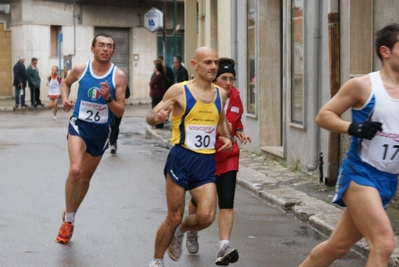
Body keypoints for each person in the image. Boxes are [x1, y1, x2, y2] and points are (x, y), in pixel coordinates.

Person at [299, 22, 399, 267]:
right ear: (385, 51)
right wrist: (353, 128)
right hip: (361, 174)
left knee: (338, 246)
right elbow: (324, 115)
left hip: (389, 179)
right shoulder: (364, 85)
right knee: (383, 243)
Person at [147, 47, 233, 267]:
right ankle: (156, 261)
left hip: (205, 162)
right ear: (195, 65)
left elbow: (221, 121)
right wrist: (156, 116)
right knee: (174, 215)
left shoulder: (220, 94)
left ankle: (182, 231)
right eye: (207, 62)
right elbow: (150, 116)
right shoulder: (178, 91)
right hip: (181, 158)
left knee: (206, 216)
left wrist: (227, 137)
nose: (213, 66)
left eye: (215, 62)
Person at [55, 33, 126, 244]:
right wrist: (66, 99)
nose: (105, 49)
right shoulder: (80, 69)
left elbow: (120, 111)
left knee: (85, 178)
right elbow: (64, 83)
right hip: (79, 124)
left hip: (101, 131)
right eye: (101, 45)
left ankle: (71, 214)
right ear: (92, 48)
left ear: (113, 51)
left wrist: (108, 98)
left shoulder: (118, 76)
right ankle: (68, 222)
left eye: (109, 46)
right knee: (75, 170)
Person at [185, 58, 252, 266]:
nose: (229, 82)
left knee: (226, 202)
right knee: (200, 202)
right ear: (215, 79)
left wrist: (239, 131)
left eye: (232, 78)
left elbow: (237, 119)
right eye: (224, 78)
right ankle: (192, 229)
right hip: (204, 157)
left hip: (228, 156)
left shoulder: (236, 97)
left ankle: (224, 246)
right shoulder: (204, 96)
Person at [110, 84, 130, 154]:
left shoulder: (123, 84)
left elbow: (128, 95)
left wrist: (122, 94)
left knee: (116, 126)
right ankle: (112, 144)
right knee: (112, 125)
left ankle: (114, 140)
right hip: (111, 107)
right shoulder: (110, 83)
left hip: (119, 108)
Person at [149, 59, 166, 129]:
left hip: (157, 95)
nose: (153, 68)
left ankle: (158, 124)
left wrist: (154, 85)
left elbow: (151, 83)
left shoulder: (158, 76)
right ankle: (157, 123)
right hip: (157, 94)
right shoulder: (158, 75)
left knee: (156, 109)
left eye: (154, 67)